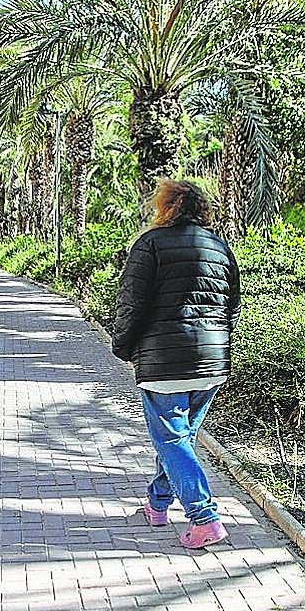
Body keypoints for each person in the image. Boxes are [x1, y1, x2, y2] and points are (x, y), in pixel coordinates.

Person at [111, 179, 241, 550]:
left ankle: (205, 517)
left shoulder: (150, 244)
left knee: (171, 441)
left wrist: (122, 346)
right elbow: (232, 306)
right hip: (211, 364)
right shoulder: (219, 246)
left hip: (164, 364)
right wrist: (215, 344)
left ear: (164, 206)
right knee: (178, 440)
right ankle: (157, 504)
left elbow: (131, 303)